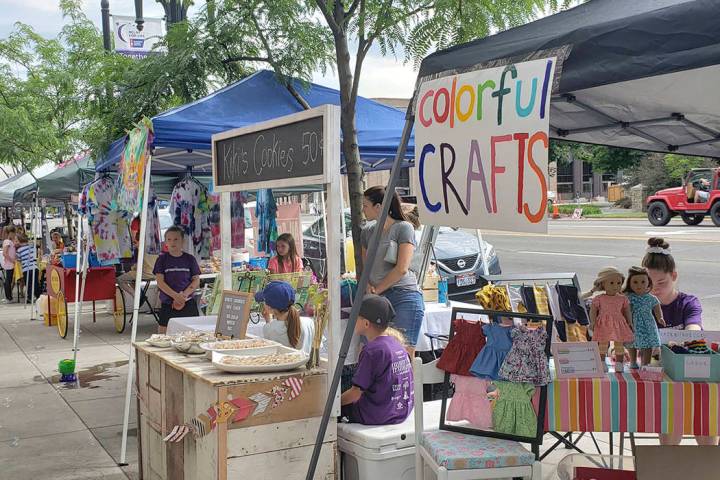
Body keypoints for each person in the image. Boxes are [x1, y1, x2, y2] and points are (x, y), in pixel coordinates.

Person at [642, 237, 719, 446]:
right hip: (662, 378)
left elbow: (694, 329)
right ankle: (672, 462)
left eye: (662, 283)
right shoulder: (643, 305)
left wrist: (685, 338)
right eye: (649, 284)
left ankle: (707, 465)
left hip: (690, 370)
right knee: (670, 425)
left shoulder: (688, 302)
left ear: (674, 276)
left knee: (705, 418)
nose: (655, 289)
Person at [361, 186, 425, 357]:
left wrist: (376, 290)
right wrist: (368, 287)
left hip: (403, 295)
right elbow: (365, 267)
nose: (363, 210)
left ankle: (403, 384)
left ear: (379, 207)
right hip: (376, 298)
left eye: (365, 205)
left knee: (402, 354)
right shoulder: (367, 232)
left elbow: (402, 268)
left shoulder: (403, 228)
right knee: (371, 350)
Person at [340, 294, 414, 425]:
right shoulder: (397, 343)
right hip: (401, 412)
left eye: (355, 317)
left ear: (366, 323)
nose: (352, 321)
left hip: (378, 415)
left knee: (337, 407)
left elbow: (355, 394)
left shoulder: (372, 351)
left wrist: (332, 405)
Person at [153, 226, 200, 334]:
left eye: (176, 239)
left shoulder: (190, 259)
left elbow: (196, 280)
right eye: (169, 239)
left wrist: (183, 296)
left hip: (187, 302)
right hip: (168, 303)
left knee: (193, 333)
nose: (172, 242)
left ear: (182, 241)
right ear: (165, 242)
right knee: (163, 333)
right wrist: (175, 296)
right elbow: (160, 282)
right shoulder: (162, 259)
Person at [255, 280, 315, 354]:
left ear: (270, 308)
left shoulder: (270, 329)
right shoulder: (309, 322)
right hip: (304, 364)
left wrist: (268, 321)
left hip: (283, 365)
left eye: (264, 301)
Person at [118, 217, 158, 302]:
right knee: (131, 277)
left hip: (146, 273)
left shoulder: (140, 248)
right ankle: (139, 295)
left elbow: (139, 264)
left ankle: (136, 296)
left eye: (135, 242)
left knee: (119, 279)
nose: (134, 244)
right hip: (155, 273)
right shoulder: (153, 245)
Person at [16, 232, 40, 303]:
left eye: (16, 240)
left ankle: (30, 297)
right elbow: (36, 255)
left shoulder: (19, 250)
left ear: (20, 241)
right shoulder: (32, 246)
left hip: (26, 269)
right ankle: (38, 295)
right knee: (35, 283)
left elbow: (19, 260)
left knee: (28, 284)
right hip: (34, 267)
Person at [2, 226, 16, 303]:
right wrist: (12, 261)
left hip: (10, 264)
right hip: (9, 265)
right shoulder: (7, 241)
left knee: (8, 281)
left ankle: (9, 297)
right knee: (8, 281)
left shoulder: (9, 241)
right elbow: (5, 253)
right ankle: (9, 298)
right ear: (10, 233)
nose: (14, 235)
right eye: (13, 233)